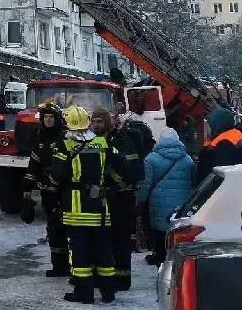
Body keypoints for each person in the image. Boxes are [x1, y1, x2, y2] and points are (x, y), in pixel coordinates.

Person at [52, 105, 125, 304]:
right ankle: (108, 293)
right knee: (103, 251)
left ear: (68, 124)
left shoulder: (65, 145)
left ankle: (84, 293)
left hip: (76, 211)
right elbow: (123, 165)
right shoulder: (103, 143)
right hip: (100, 208)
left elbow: (57, 175)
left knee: (79, 253)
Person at [95, 108, 144, 291]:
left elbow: (132, 172)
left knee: (120, 240)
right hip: (105, 198)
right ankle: (107, 277)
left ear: (107, 123)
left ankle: (122, 279)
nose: (95, 125)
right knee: (104, 239)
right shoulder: (97, 141)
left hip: (122, 198)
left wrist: (114, 180)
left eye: (99, 121)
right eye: (93, 121)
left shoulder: (121, 141)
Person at [22, 101, 68, 278]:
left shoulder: (66, 138)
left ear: (57, 119)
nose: (48, 120)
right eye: (46, 117)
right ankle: (59, 267)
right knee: (53, 228)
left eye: (51, 117)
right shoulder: (40, 140)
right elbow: (33, 167)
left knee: (67, 227)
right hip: (47, 191)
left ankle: (74, 265)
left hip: (64, 191)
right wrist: (27, 190)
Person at [137, 128, 194, 266]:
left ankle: (160, 256)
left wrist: (141, 199)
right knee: (176, 229)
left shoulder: (151, 159)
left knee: (160, 231)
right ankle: (176, 258)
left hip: (158, 202)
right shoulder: (187, 159)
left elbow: (146, 184)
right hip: (181, 203)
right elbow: (193, 182)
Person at [195, 107, 242, 184]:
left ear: (217, 124)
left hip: (217, 188)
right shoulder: (227, 137)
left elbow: (221, 174)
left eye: (209, 124)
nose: (208, 128)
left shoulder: (225, 143)